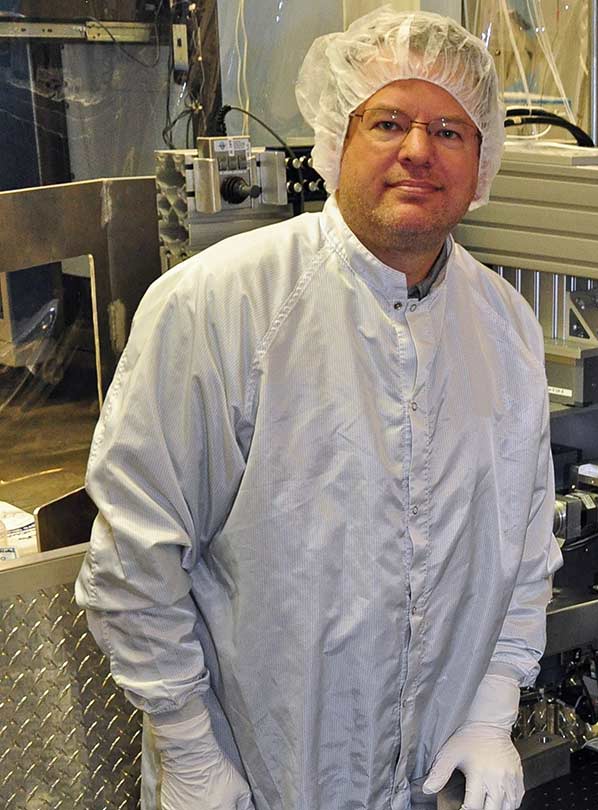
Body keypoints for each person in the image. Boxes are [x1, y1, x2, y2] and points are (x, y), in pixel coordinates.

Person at [75, 9, 561, 810]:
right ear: (336, 139)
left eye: (450, 130)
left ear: (482, 165)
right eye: (389, 122)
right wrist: (189, 745)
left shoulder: (503, 327)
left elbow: (524, 550)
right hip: (255, 777)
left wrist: (491, 707)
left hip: (435, 776)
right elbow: (136, 556)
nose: (418, 151)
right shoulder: (220, 306)